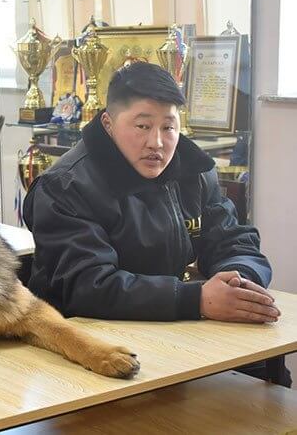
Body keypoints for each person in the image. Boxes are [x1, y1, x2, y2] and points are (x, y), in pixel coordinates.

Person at [23, 62, 289, 385]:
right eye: (142, 126)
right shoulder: (65, 187)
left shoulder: (194, 170)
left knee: (267, 374)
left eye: (168, 127)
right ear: (108, 123)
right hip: (88, 345)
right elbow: (89, 287)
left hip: (173, 324)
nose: (157, 143)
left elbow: (236, 240)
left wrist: (238, 285)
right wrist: (198, 299)